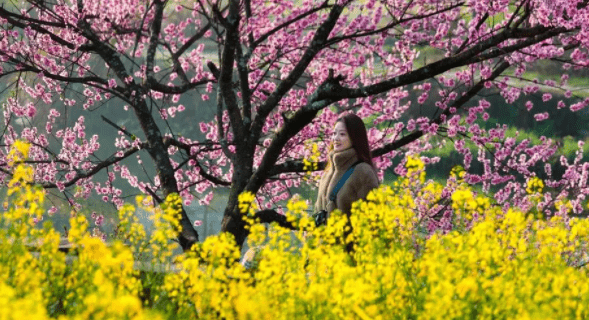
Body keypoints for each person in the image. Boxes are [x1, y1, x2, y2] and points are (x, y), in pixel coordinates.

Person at [314, 113, 379, 220]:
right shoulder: (329, 170)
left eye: (342, 134)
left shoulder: (363, 171)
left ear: (355, 137)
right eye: (334, 133)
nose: (336, 138)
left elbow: (373, 218)